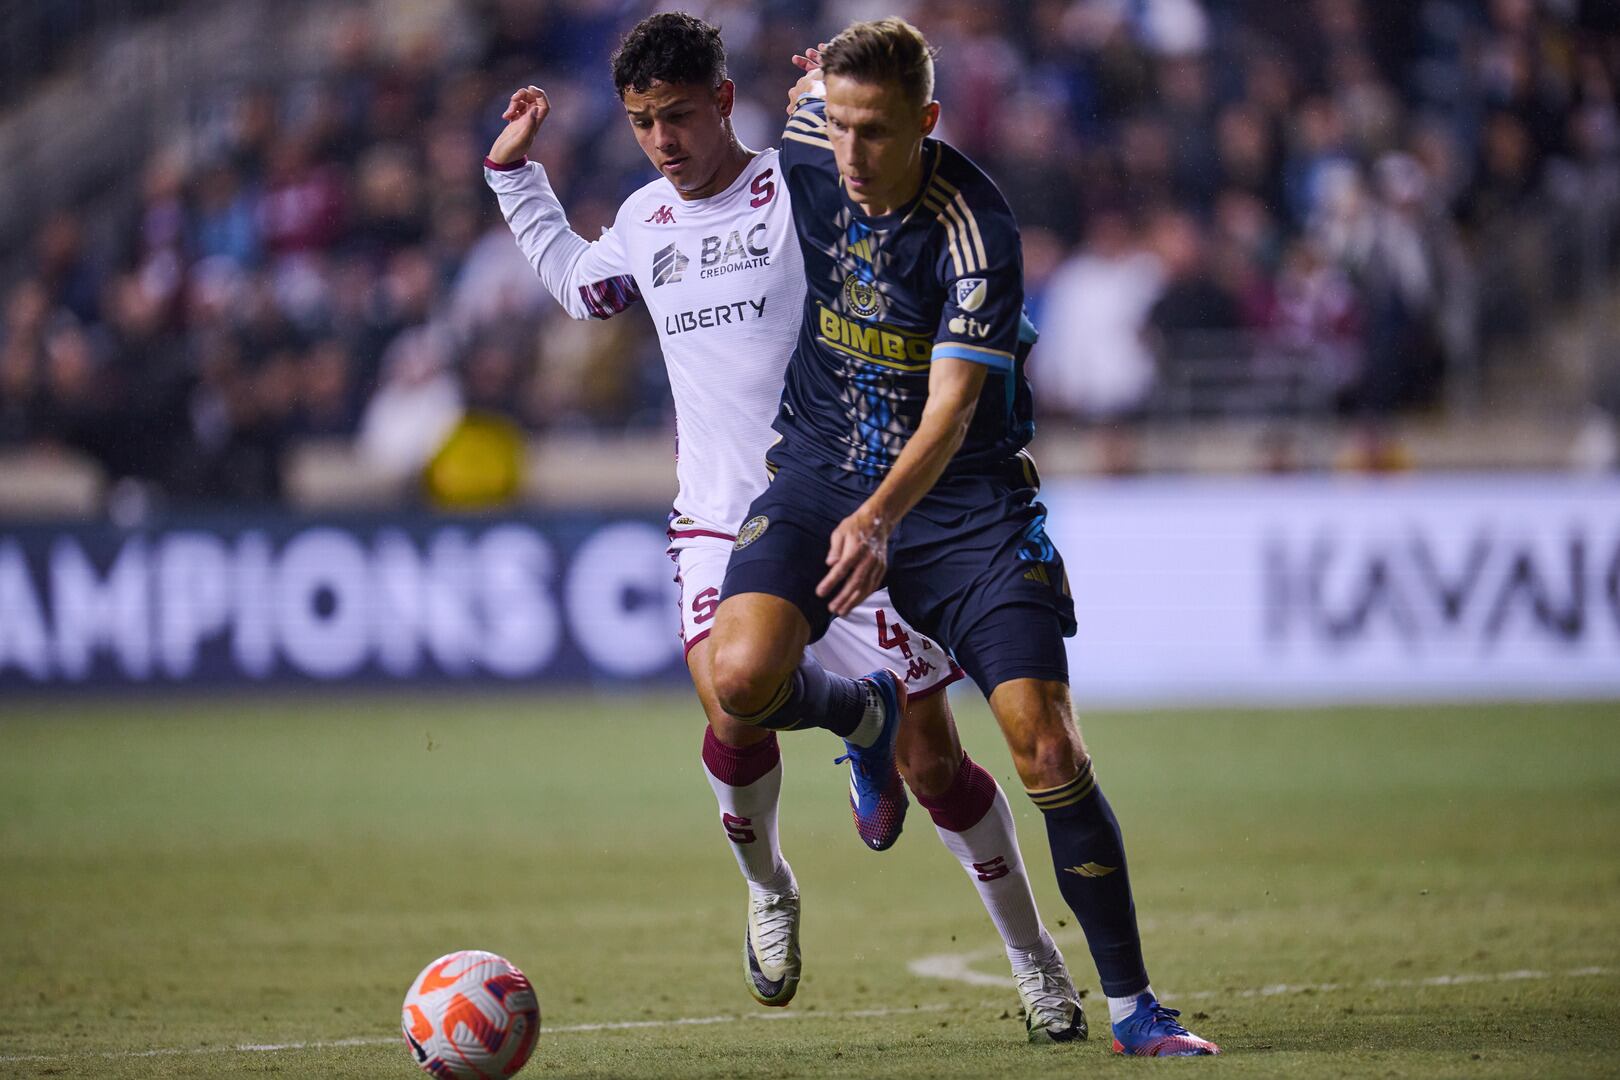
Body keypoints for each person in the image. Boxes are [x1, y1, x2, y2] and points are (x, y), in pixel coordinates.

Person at [483, 12, 1085, 1041]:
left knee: (936, 769)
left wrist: (831, 114)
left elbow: (899, 214)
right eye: (641, 123)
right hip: (724, 520)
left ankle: (1037, 966)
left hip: (847, 507)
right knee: (735, 688)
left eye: (678, 114)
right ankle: (774, 874)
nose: (662, 140)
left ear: (724, 100)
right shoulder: (644, 222)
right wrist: (513, 182)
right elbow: (582, 287)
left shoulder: (801, 189)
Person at [707, 18, 1220, 1056]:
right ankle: (861, 718)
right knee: (741, 676)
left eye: (878, 132)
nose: (851, 154)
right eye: (839, 126)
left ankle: (1133, 1008)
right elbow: (709, 133)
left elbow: (946, 414)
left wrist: (879, 518)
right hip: (818, 471)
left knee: (1043, 744)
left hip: (963, 505)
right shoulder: (811, 139)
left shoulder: (974, 227)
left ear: (927, 122)